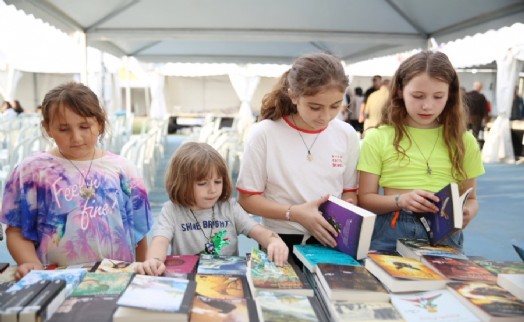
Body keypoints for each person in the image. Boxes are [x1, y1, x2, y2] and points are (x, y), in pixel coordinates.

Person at [0, 82, 153, 280]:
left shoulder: (123, 169)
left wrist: (144, 275)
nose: (76, 137)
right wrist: (30, 262)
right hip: (56, 281)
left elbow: (139, 234)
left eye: (84, 126)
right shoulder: (30, 172)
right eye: (64, 129)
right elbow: (17, 230)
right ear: (47, 128)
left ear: (100, 123)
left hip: (118, 278)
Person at [357, 51, 485, 253]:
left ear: (450, 95)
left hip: (445, 232)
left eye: (438, 96)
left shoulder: (464, 141)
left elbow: (471, 198)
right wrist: (401, 201)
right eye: (417, 96)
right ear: (399, 91)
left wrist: (468, 211)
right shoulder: (378, 137)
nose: (427, 105)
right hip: (392, 230)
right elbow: (365, 199)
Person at [236, 53, 360, 254]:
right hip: (280, 240)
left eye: (335, 106)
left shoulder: (346, 134)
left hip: (331, 238)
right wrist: (294, 213)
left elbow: (349, 191)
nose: (325, 116)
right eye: (315, 107)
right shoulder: (264, 133)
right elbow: (247, 199)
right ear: (293, 96)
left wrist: (346, 210)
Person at [136, 142, 288, 276]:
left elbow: (258, 231)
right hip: (187, 280)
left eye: (217, 182)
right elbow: (159, 242)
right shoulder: (171, 211)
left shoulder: (229, 207)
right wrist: (154, 260)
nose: (212, 190)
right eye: (202, 183)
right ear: (181, 183)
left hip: (227, 278)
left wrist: (274, 241)